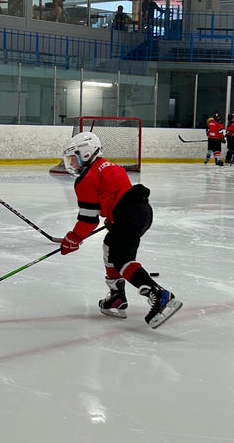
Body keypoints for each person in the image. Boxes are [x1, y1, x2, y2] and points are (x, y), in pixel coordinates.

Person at [58, 131, 182, 329]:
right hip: (142, 212)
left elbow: (88, 220)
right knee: (110, 245)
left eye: (74, 158)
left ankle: (159, 295)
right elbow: (115, 196)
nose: (71, 164)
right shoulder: (111, 166)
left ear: (87, 153)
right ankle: (117, 297)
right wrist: (113, 218)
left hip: (129, 216)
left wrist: (72, 239)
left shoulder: (86, 178)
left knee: (121, 258)